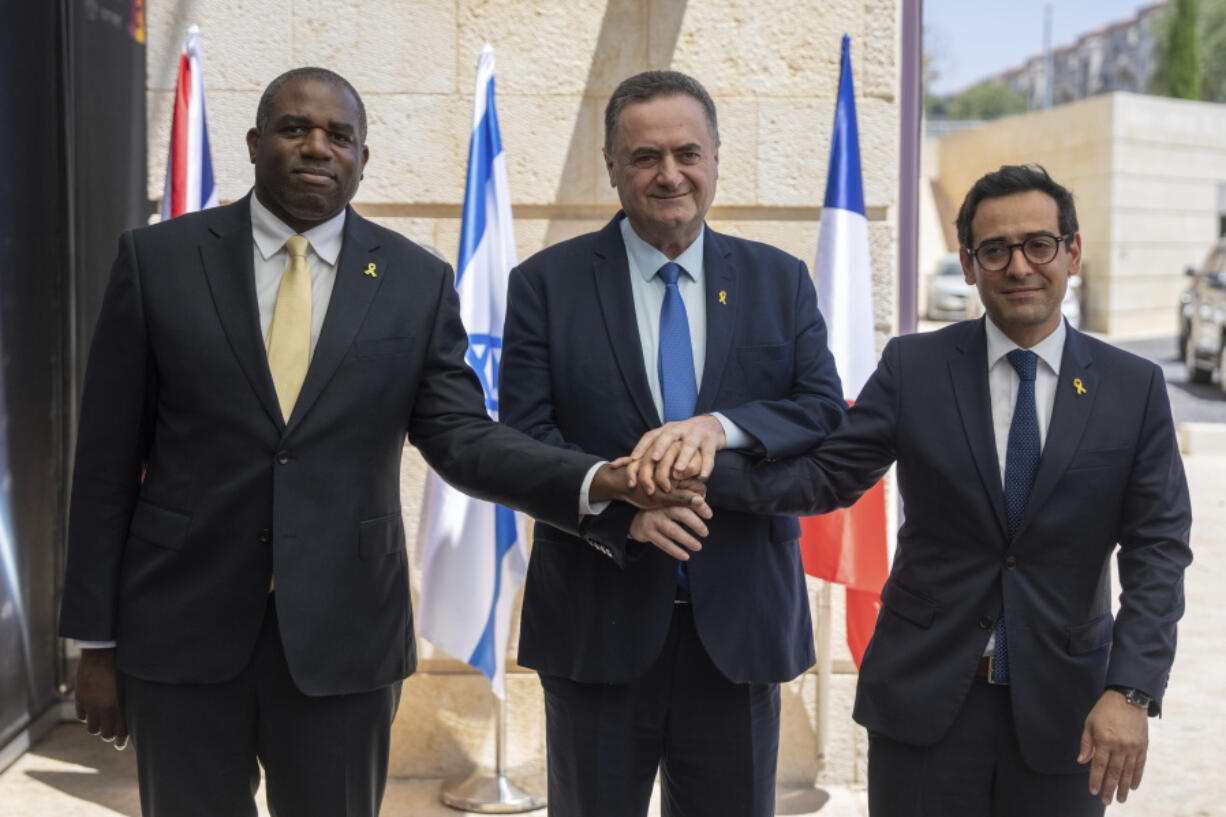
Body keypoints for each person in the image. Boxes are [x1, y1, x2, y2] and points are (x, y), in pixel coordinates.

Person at [59, 66, 699, 817]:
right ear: (255, 142)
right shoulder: (156, 261)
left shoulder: (414, 282)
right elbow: (104, 465)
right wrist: (93, 644)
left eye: (340, 135)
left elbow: (462, 438)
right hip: (180, 634)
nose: (317, 147)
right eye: (296, 128)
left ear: (365, 159)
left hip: (346, 642)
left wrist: (598, 481)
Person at [685, 164, 1193, 815]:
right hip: (923, 706)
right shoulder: (913, 366)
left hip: (1069, 714)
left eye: (1038, 244)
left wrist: (1132, 689)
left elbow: (1158, 549)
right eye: (995, 250)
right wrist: (699, 469)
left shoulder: (1136, 388)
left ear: (1073, 251)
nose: (1020, 266)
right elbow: (825, 476)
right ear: (969, 263)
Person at [498, 70, 847, 817]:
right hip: (597, 624)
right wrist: (621, 511)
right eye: (646, 156)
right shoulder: (544, 285)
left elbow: (821, 412)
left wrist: (721, 428)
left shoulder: (778, 281)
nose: (669, 173)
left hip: (739, 632)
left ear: (716, 157)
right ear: (611, 165)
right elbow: (522, 443)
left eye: (687, 152)